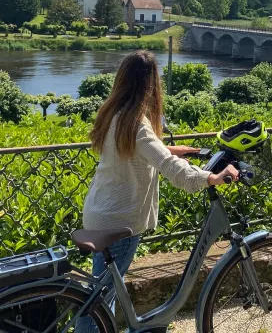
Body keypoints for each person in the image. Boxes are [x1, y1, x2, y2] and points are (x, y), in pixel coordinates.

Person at [79, 50, 238, 323]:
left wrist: (176, 150)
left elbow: (139, 151)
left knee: (102, 295)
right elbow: (166, 165)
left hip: (100, 210)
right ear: (150, 84)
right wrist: (209, 178)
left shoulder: (113, 113)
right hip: (120, 219)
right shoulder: (137, 123)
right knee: (100, 304)